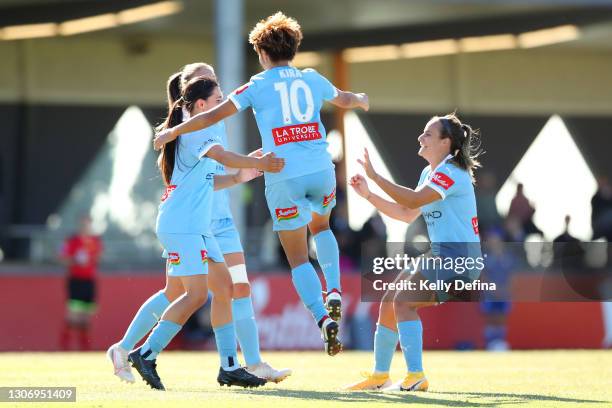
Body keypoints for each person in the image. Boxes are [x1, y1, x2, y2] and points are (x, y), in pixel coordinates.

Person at [154, 12, 369, 355]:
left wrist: (174, 131)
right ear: (294, 49)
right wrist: (360, 98)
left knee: (298, 258)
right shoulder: (312, 78)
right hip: (319, 168)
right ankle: (335, 292)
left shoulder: (257, 84)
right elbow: (344, 98)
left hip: (282, 173)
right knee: (323, 228)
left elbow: (211, 114)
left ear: (263, 54)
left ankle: (321, 318)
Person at [107, 63, 290, 384]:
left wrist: (238, 176)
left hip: (196, 226)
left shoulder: (196, 128)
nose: (224, 99)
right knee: (195, 294)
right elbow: (222, 156)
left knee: (223, 288)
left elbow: (208, 178)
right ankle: (144, 353)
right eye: (218, 95)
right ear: (201, 103)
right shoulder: (197, 130)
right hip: (185, 225)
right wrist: (256, 162)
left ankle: (230, 367)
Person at [346, 113, 483, 391]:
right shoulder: (430, 172)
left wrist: (375, 176)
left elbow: (412, 199)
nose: (420, 138)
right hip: (442, 256)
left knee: (403, 302)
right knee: (389, 302)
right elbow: (407, 213)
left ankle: (416, 376)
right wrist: (369, 195)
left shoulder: (452, 172)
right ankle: (379, 376)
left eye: (428, 134)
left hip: (459, 260)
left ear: (445, 143)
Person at [59, 215, 103, 350]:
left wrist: (91, 259)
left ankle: (85, 348)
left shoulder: (96, 241)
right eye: (83, 224)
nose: (85, 227)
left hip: (89, 281)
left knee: (86, 316)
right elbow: (62, 258)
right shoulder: (72, 240)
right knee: (73, 315)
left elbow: (98, 258)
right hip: (76, 281)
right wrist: (75, 260)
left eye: (87, 224)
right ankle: (65, 345)